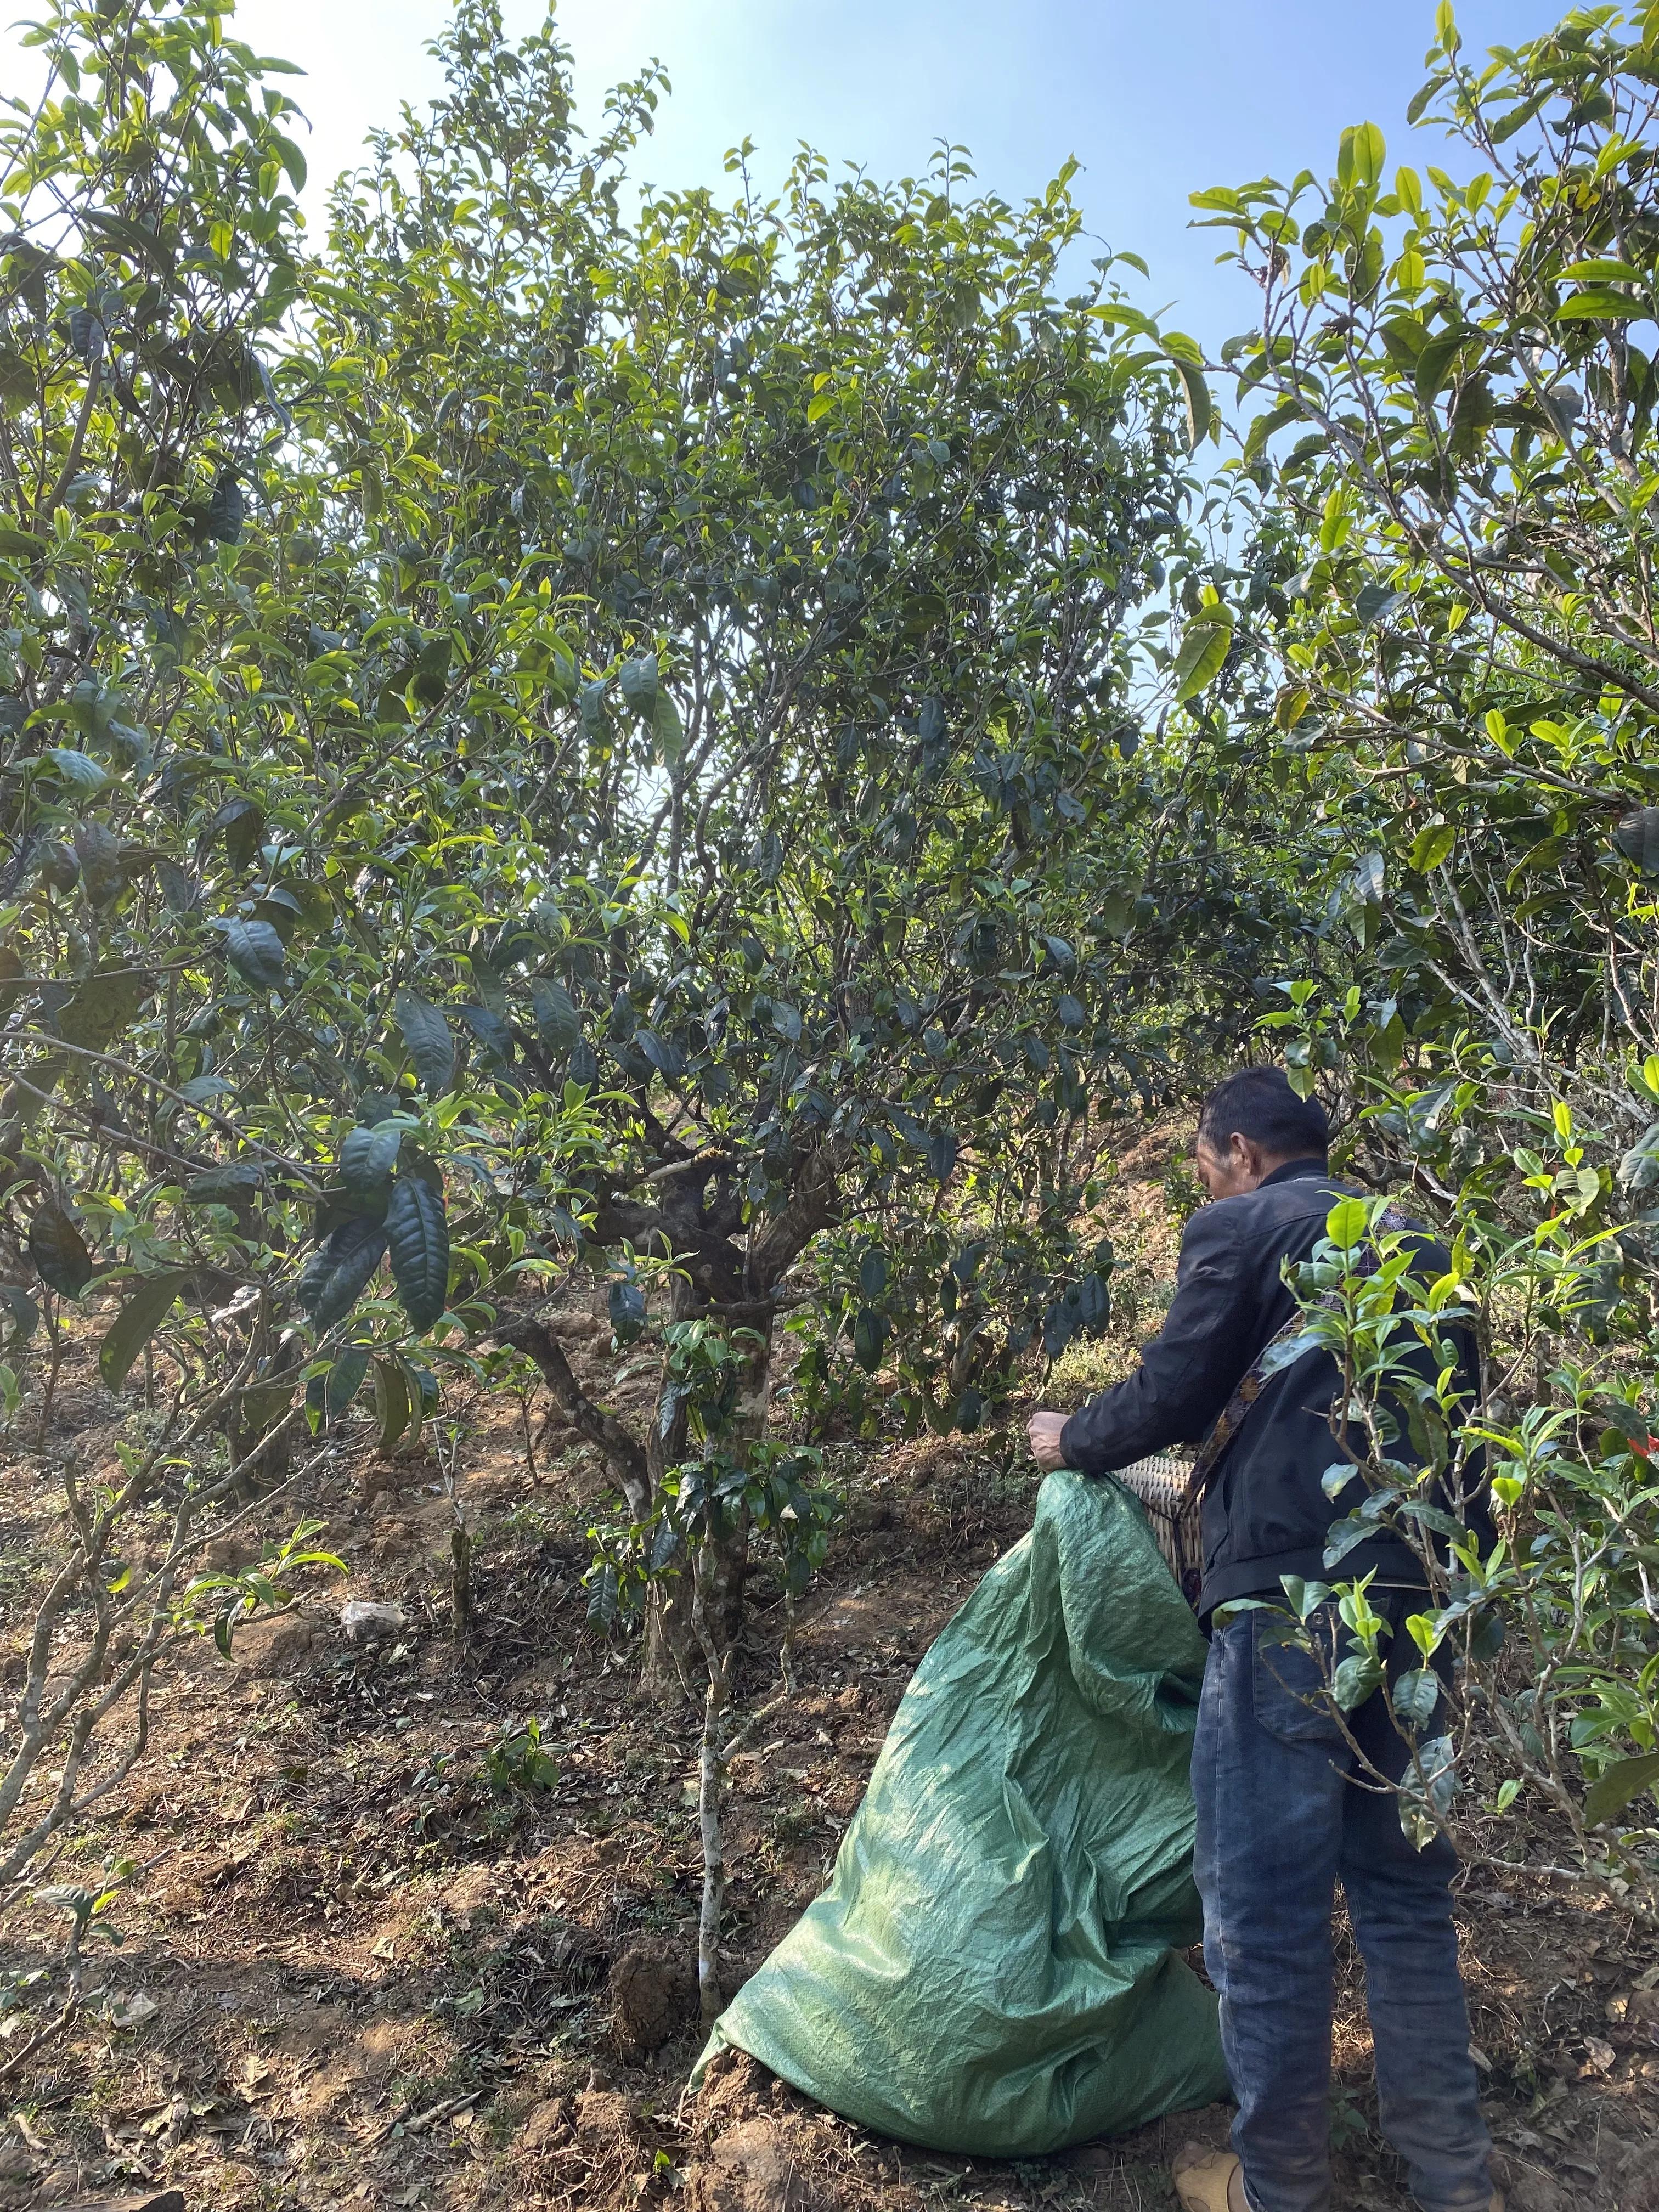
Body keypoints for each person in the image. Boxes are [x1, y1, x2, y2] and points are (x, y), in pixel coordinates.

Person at [1027, 1068, 1499, 2212]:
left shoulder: (1242, 1226)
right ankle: (1455, 2181)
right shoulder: (1419, 1246)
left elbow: (1173, 1392)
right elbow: (1471, 1446)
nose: (1205, 1183)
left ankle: (1279, 2190)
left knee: (1266, 1922)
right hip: (1421, 1613)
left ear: (1238, 1152)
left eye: (1203, 1165)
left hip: (1290, 1614)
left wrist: (1072, 1435)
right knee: (1402, 1900)